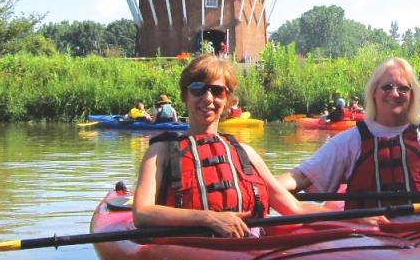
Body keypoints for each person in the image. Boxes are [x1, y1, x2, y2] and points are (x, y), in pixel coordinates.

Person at [279, 58, 420, 212]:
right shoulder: (352, 141)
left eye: (403, 88)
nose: (395, 93)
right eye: (387, 87)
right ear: (373, 92)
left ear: (413, 95)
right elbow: (300, 177)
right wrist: (261, 192)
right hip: (370, 242)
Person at [131, 55, 321, 236]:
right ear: (185, 95)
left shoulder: (246, 153)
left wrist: (348, 220)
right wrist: (209, 218)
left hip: (247, 249)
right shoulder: (160, 152)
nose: (208, 98)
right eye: (197, 89)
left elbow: (294, 208)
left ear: (227, 99)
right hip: (188, 254)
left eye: (217, 91)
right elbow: (142, 213)